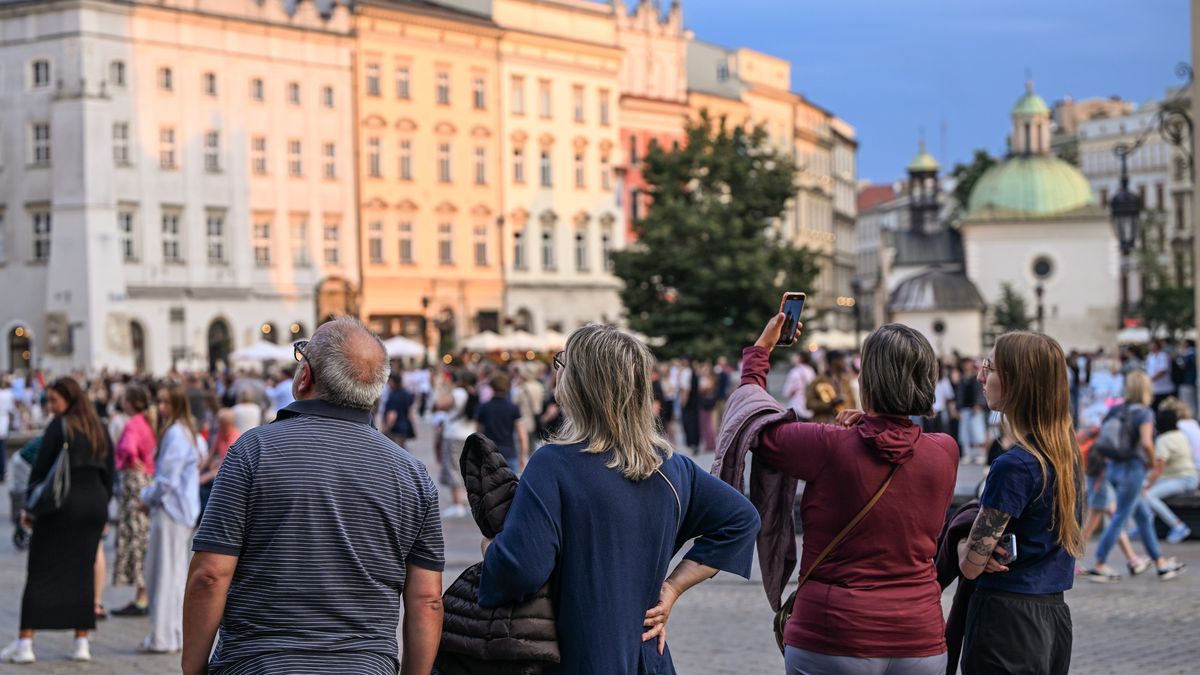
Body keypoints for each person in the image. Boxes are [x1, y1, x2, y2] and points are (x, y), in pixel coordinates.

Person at [478, 324, 759, 673]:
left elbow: (520, 570)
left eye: (562, 362)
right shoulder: (671, 467)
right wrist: (672, 588)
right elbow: (741, 519)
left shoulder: (554, 464)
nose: (557, 371)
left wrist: (492, 550)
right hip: (648, 657)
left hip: (580, 656)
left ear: (580, 383)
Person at [183, 317, 445, 675]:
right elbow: (427, 599)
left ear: (305, 376)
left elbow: (210, 574)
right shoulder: (412, 474)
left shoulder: (254, 451)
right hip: (364, 665)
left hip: (260, 662)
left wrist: (193, 668)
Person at [746, 319, 957, 675]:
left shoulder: (829, 445)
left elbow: (754, 425)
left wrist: (760, 353)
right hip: (919, 636)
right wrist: (868, 424)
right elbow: (895, 442)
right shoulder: (945, 451)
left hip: (833, 633)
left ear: (868, 380)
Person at [957, 333, 1083, 674]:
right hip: (1053, 617)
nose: (980, 377)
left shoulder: (1014, 465)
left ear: (1016, 382)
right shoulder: (1064, 456)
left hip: (1007, 620)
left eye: (989, 367)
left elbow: (971, 565)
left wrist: (959, 543)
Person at [2, 378, 114, 664]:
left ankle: (26, 641)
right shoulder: (99, 427)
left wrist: (29, 509)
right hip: (94, 502)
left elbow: (40, 470)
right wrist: (103, 509)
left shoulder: (60, 426)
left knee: (40, 570)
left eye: (54, 400)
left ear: (69, 399)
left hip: (62, 504)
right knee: (83, 572)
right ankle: (81, 641)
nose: (50, 406)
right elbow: (110, 472)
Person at [1088, 371, 1186, 582]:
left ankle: (1160, 562)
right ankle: (1099, 563)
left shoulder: (1116, 409)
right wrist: (1151, 462)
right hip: (1133, 469)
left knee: (1143, 516)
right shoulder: (1144, 413)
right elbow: (1146, 443)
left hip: (1113, 467)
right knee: (1120, 517)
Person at [140, 384, 203, 653]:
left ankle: (163, 636)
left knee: (163, 574)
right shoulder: (187, 431)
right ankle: (173, 633)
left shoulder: (176, 433)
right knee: (175, 574)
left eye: (165, 402)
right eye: (159, 401)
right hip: (182, 509)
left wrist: (146, 497)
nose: (160, 407)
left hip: (171, 510)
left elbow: (166, 480)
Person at [112, 384, 157, 618]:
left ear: (129, 402)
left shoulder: (133, 423)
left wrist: (131, 460)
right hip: (147, 477)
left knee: (135, 537)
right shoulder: (149, 421)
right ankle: (144, 592)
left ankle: (141, 595)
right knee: (143, 536)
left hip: (134, 481)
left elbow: (128, 448)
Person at [1141, 401, 1197, 543]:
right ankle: (1145, 525)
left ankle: (1178, 526)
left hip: (1183, 479)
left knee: (1147, 495)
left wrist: (1147, 485)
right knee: (1144, 488)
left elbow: (1158, 469)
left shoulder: (1164, 440)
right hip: (1185, 476)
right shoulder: (1180, 434)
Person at [441, 370, 478, 517]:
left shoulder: (458, 393)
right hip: (469, 433)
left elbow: (440, 405)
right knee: (467, 468)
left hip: (454, 434)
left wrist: (445, 388)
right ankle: (466, 501)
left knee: (454, 468)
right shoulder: (475, 392)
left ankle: (457, 504)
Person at [475, 372, 529, 472]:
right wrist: (523, 455)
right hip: (509, 453)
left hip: (489, 453)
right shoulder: (513, 408)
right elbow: (522, 435)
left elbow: (478, 432)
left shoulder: (484, 407)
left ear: (492, 387)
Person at [198, 408, 239, 515]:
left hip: (228, 476)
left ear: (228, 424)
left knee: (203, 490)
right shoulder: (221, 434)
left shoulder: (234, 439)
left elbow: (224, 466)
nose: (217, 425)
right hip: (218, 471)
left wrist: (203, 478)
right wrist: (198, 470)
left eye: (220, 423)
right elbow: (211, 455)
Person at [956, 358, 987, 464]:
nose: (967, 366)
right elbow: (959, 394)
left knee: (977, 432)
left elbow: (980, 392)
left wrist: (978, 404)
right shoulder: (962, 378)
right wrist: (958, 408)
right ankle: (968, 454)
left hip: (975, 408)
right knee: (965, 432)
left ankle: (980, 454)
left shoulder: (977, 377)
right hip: (964, 408)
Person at [383, 374, 417, 448]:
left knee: (394, 450)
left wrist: (386, 429)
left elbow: (392, 415)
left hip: (395, 429)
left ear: (393, 382)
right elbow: (411, 412)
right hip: (404, 427)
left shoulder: (393, 396)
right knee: (402, 449)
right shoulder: (406, 394)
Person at [783, 352, 816, 421]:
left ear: (801, 358)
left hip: (797, 405)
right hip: (809, 405)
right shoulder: (811, 370)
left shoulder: (795, 371)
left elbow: (787, 391)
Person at [1146, 340, 1175, 409]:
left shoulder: (1163, 356)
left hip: (1164, 389)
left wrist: (1151, 379)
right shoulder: (1150, 356)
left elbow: (1163, 371)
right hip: (1154, 389)